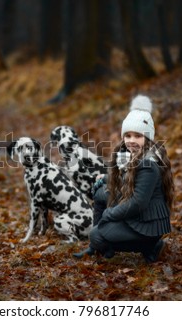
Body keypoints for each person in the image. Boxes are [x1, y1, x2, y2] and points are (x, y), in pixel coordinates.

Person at [73, 95, 174, 263]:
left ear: (147, 137)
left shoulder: (148, 164)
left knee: (96, 234)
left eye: (137, 136)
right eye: (128, 136)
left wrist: (109, 214)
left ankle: (151, 246)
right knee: (99, 193)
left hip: (147, 223)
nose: (131, 141)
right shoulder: (130, 155)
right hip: (139, 214)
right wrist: (106, 178)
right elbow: (126, 178)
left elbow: (137, 203)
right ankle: (96, 246)